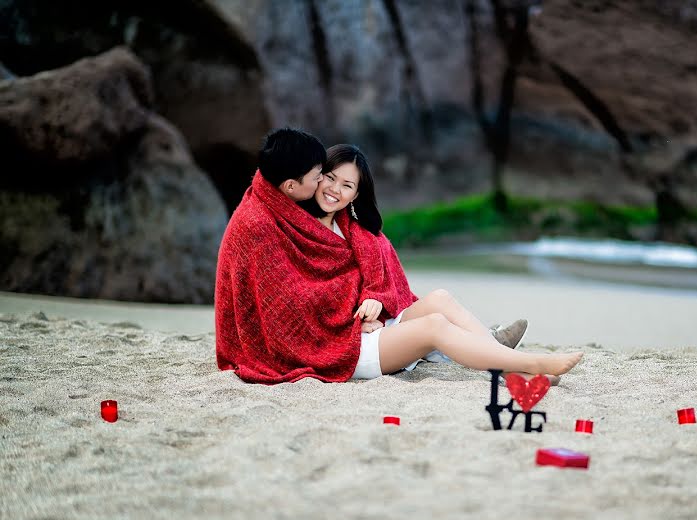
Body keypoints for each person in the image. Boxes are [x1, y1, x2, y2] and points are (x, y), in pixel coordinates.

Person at [215, 127, 582, 384]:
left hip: (364, 330)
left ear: (357, 194)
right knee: (434, 327)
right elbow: (288, 305)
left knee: (439, 299)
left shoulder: (347, 226)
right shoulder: (274, 224)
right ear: (296, 184)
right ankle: (522, 364)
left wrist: (373, 304)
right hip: (339, 347)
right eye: (324, 177)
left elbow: (371, 280)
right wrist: (352, 322)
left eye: (347, 185)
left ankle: (493, 349)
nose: (328, 188)